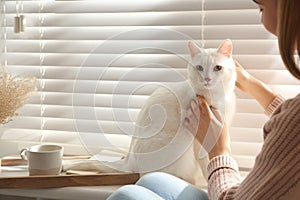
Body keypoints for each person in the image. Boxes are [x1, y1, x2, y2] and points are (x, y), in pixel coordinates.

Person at [107, 0, 300, 199]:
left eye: (261, 7)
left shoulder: (292, 127)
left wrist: (218, 149)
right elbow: (292, 119)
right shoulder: (293, 118)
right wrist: (251, 84)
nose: (261, 18)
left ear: (289, 10)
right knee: (151, 180)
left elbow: (291, 126)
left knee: (127, 195)